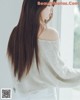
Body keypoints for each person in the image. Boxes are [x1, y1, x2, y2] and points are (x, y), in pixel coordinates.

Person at [7, 0, 80, 100]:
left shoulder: (15, 34)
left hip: (18, 96)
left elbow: (14, 74)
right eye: (49, 5)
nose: (52, 8)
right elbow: (61, 74)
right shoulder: (50, 34)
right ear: (37, 7)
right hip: (44, 96)